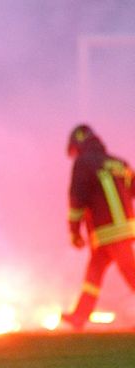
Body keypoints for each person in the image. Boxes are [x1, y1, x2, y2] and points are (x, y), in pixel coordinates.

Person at [63, 124, 135, 330]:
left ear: (78, 145)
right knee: (93, 274)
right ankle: (79, 316)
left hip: (107, 231)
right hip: (122, 230)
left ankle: (79, 316)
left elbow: (77, 199)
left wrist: (74, 232)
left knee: (131, 273)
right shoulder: (119, 163)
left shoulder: (83, 164)